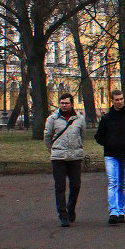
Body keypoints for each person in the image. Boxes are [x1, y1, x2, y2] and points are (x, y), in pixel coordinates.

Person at [94, 90, 125, 225]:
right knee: (112, 182)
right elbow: (98, 136)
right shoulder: (106, 118)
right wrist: (109, 143)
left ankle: (121, 211)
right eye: (117, 99)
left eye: (121, 99)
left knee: (124, 183)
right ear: (112, 101)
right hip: (111, 155)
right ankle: (113, 212)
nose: (119, 101)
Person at [44, 93, 85, 228]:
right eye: (61, 103)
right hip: (58, 157)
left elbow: (82, 135)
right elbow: (47, 136)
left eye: (66, 103)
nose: (64, 105)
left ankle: (71, 207)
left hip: (74, 156)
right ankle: (63, 215)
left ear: (72, 104)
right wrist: (54, 149)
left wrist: (78, 147)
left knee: (75, 185)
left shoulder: (79, 119)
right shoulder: (53, 119)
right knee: (60, 187)